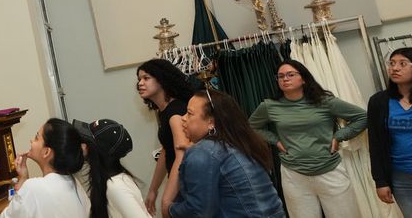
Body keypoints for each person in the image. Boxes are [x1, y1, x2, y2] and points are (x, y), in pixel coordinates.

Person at [248, 59, 367, 218]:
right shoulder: (269, 106)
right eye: (280, 76)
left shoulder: (325, 101)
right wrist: (275, 140)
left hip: (329, 170)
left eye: (290, 74)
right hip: (294, 175)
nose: (285, 79)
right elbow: (251, 126)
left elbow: (362, 117)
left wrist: (339, 136)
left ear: (303, 78)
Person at [170, 89, 286, 218]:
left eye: (189, 113)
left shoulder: (203, 151)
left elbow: (199, 211)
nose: (183, 118)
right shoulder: (241, 142)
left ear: (211, 122)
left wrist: (170, 210)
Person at [368, 47, 412, 217]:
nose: (395, 68)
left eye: (402, 64)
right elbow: (375, 143)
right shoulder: (379, 101)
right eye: (392, 63)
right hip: (402, 179)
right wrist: (380, 181)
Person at [136, 59, 192, 215]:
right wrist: (153, 189)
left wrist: (166, 199)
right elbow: (167, 150)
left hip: (189, 183)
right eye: (139, 79)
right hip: (183, 184)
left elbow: (181, 155)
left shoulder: (174, 113)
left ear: (161, 79)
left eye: (146, 78)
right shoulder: (164, 111)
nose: (140, 83)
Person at [2, 118, 90, 218]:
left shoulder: (33, 188)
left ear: (46, 152)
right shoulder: (76, 184)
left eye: (36, 138)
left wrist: (22, 179)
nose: (31, 141)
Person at [74, 118, 151, 218]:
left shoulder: (116, 187)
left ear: (100, 152)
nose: (82, 147)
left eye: (86, 142)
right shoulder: (108, 181)